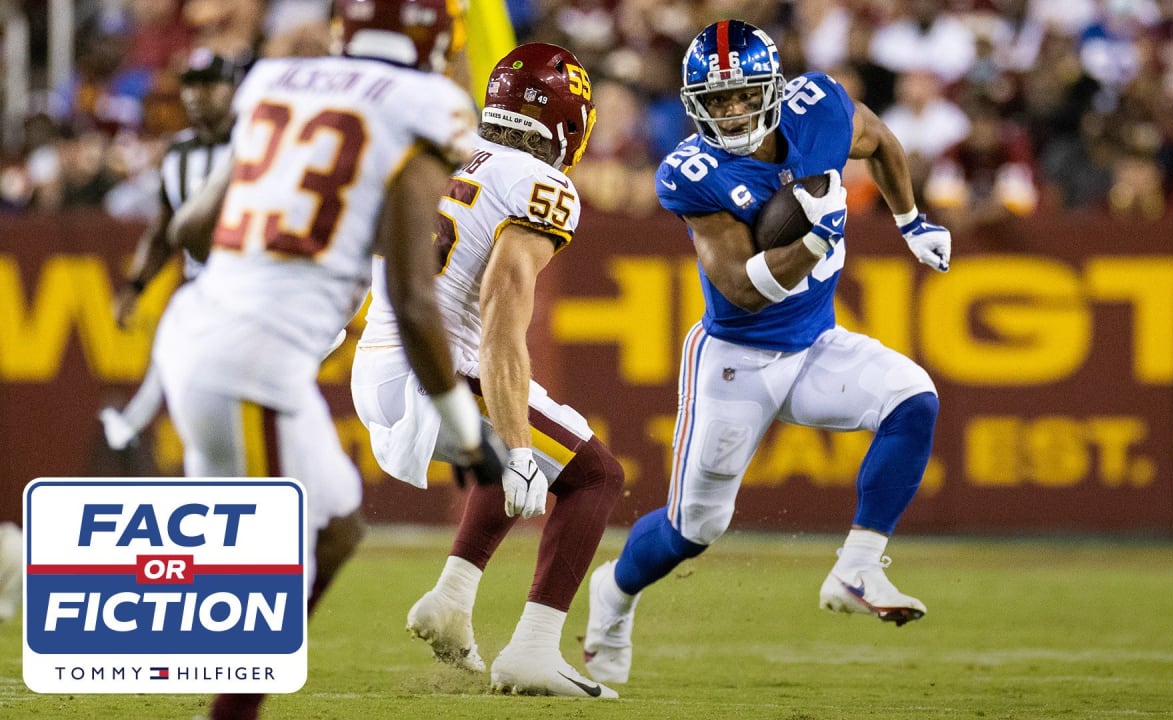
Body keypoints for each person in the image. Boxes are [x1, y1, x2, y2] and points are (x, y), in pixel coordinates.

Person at [154, 1, 499, 718]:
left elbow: (190, 229)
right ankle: (36, 576)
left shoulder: (277, 80)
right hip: (253, 358)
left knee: (337, 526)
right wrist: (465, 432)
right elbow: (410, 298)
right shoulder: (426, 105)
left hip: (208, 331)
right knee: (269, 563)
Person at [583, 19, 951, 684]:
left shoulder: (819, 105)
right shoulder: (695, 173)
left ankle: (858, 566)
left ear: (773, 88)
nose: (731, 110)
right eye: (715, 100)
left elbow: (884, 141)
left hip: (814, 345)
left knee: (913, 397)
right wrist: (813, 240)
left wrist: (910, 221)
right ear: (694, 103)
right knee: (693, 529)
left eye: (741, 94)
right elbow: (742, 291)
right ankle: (613, 592)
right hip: (735, 358)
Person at [350, 43, 625, 699]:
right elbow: (501, 315)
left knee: (522, 442)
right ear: (567, 121)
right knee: (593, 475)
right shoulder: (540, 183)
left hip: (378, 366)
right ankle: (532, 650)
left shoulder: (446, 151)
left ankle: (452, 598)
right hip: (438, 378)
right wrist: (522, 444)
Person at [100, 47, 241, 451]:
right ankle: (130, 426)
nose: (197, 95)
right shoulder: (177, 153)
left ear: (233, 88)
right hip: (204, 284)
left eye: (209, 84)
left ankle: (130, 425)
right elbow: (163, 230)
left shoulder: (257, 141)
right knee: (175, 350)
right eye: (190, 86)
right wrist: (136, 285)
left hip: (255, 285)